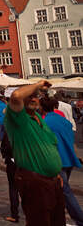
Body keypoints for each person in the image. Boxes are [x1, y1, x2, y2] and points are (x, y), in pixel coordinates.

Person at [4, 80, 65, 226]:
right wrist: (38, 85)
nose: (33, 99)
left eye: (35, 96)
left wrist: (56, 173)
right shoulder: (18, 118)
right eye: (29, 96)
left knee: (57, 222)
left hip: (52, 182)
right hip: (35, 182)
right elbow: (17, 95)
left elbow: (50, 145)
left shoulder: (39, 119)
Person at [41, 97, 83, 226]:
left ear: (42, 107)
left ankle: (80, 219)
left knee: (65, 191)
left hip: (57, 161)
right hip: (69, 159)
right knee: (59, 191)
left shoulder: (45, 122)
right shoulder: (64, 120)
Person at [1, 131, 21, 223]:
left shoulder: (10, 131)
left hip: (13, 162)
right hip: (25, 163)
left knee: (13, 188)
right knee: (25, 188)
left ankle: (14, 214)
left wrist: (6, 156)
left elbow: (5, 147)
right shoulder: (27, 128)